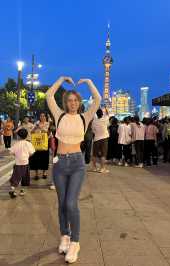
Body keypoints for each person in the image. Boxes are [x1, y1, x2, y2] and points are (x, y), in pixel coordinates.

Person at [46, 76, 101, 264]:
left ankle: (75, 242)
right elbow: (49, 95)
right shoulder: (58, 115)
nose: (73, 103)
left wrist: (88, 82)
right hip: (60, 164)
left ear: (79, 102)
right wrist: (60, 79)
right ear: (66, 102)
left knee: (71, 203)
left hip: (77, 164)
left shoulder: (84, 117)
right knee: (61, 203)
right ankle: (65, 236)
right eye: (69, 100)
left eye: (76, 100)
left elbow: (98, 100)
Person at [9, 128, 35, 198]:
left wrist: (16, 155)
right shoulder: (28, 143)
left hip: (18, 163)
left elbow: (11, 152)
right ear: (26, 136)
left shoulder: (16, 144)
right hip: (25, 163)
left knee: (16, 177)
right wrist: (27, 156)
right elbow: (32, 152)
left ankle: (12, 189)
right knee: (25, 177)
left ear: (18, 136)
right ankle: (22, 191)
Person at [29, 113, 50, 180]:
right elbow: (31, 132)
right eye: (41, 116)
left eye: (43, 116)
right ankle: (36, 174)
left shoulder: (48, 123)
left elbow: (47, 132)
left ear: (45, 117)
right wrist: (35, 127)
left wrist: (40, 127)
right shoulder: (36, 123)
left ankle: (44, 173)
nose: (42, 117)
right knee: (35, 159)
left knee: (44, 158)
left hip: (44, 143)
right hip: (36, 144)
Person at [92, 108, 110, 173]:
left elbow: (93, 130)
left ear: (96, 114)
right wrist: (106, 109)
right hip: (104, 138)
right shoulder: (105, 119)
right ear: (102, 114)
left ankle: (94, 167)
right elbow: (108, 115)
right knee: (103, 154)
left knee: (94, 154)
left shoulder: (94, 121)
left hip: (96, 139)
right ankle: (102, 168)